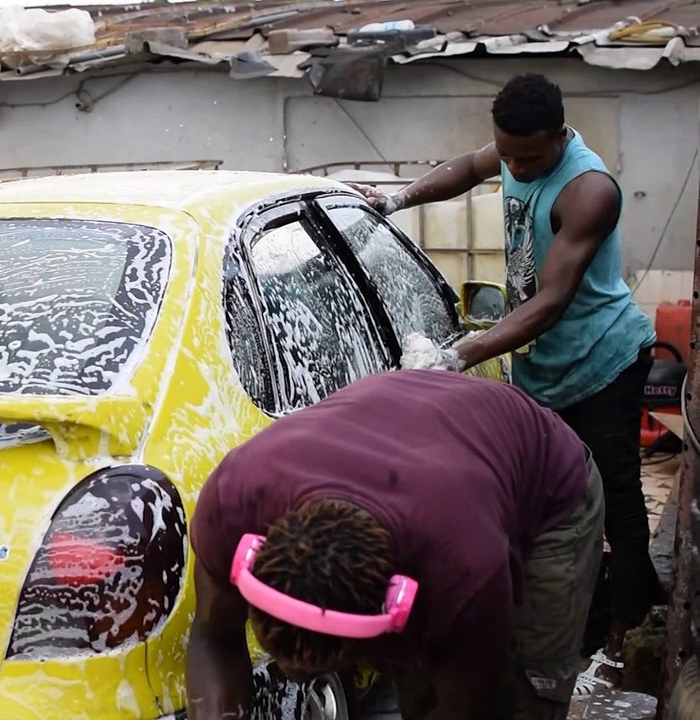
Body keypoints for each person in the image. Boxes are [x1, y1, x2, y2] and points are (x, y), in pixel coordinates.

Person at [346, 72, 659, 693]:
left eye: (528, 158)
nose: (514, 166)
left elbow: (550, 302)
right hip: (543, 366)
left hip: (604, 361)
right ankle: (553, 614)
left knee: (616, 497)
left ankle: (626, 631)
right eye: (507, 153)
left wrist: (461, 355)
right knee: (545, 497)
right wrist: (397, 201)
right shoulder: (516, 149)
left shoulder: (589, 189)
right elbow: (468, 167)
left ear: (560, 135)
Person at [185, 369, 604, 720]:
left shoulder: (461, 568)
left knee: (524, 699)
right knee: (418, 692)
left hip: (550, 490)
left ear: (394, 603)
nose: (291, 673)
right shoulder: (233, 502)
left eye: (322, 665)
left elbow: (471, 708)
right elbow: (213, 637)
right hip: (428, 447)